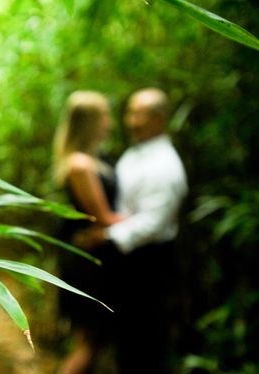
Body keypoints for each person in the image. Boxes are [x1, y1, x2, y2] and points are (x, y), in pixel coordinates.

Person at [77, 87, 188, 373]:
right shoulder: (135, 153)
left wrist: (106, 235)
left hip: (150, 263)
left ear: (160, 119)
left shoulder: (166, 164)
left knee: (145, 341)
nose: (131, 121)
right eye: (130, 113)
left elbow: (154, 221)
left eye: (140, 115)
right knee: (125, 339)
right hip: (126, 261)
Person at [52, 90, 125, 374]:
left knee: (94, 342)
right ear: (90, 121)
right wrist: (150, 219)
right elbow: (104, 217)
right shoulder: (80, 164)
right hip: (86, 261)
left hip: (93, 256)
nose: (109, 121)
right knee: (88, 344)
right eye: (104, 115)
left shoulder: (92, 159)